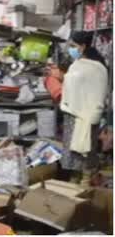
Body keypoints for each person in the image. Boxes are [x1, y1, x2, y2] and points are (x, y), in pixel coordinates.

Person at [45, 31, 108, 186]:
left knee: (85, 149)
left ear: (83, 46)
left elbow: (98, 92)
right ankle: (74, 181)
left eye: (73, 46)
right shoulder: (77, 64)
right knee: (73, 152)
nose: (70, 49)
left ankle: (85, 182)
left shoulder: (96, 68)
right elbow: (74, 85)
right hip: (71, 113)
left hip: (85, 115)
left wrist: (93, 114)